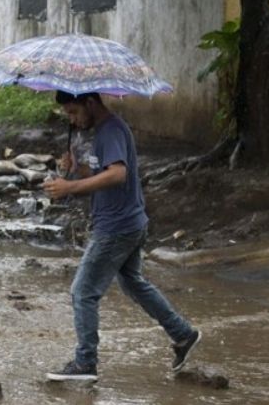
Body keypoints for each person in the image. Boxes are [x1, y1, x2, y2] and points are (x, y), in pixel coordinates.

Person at [41, 91, 201, 381]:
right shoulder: (104, 131)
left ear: (91, 103)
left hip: (116, 227)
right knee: (133, 283)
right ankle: (183, 334)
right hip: (128, 222)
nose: (73, 121)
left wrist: (69, 188)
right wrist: (74, 170)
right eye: (69, 116)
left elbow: (117, 174)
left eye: (74, 113)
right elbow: (100, 172)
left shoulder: (111, 130)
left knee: (83, 292)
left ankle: (85, 363)